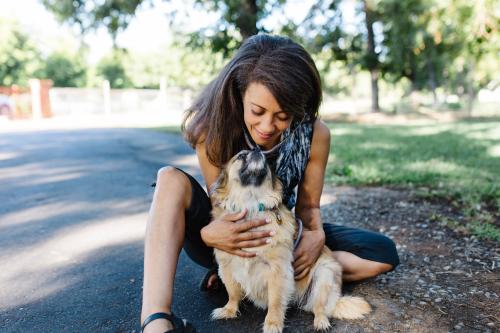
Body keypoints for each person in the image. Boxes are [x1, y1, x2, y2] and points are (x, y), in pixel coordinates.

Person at [140, 34, 399, 333]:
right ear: (239, 94)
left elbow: (309, 207)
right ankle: (157, 322)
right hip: (224, 234)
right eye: (258, 112)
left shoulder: (315, 135)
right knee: (168, 178)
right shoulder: (211, 128)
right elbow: (218, 204)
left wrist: (314, 235)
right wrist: (208, 235)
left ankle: (278, 281)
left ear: (298, 107)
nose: (267, 127)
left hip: (278, 231)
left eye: (282, 116)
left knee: (382, 254)